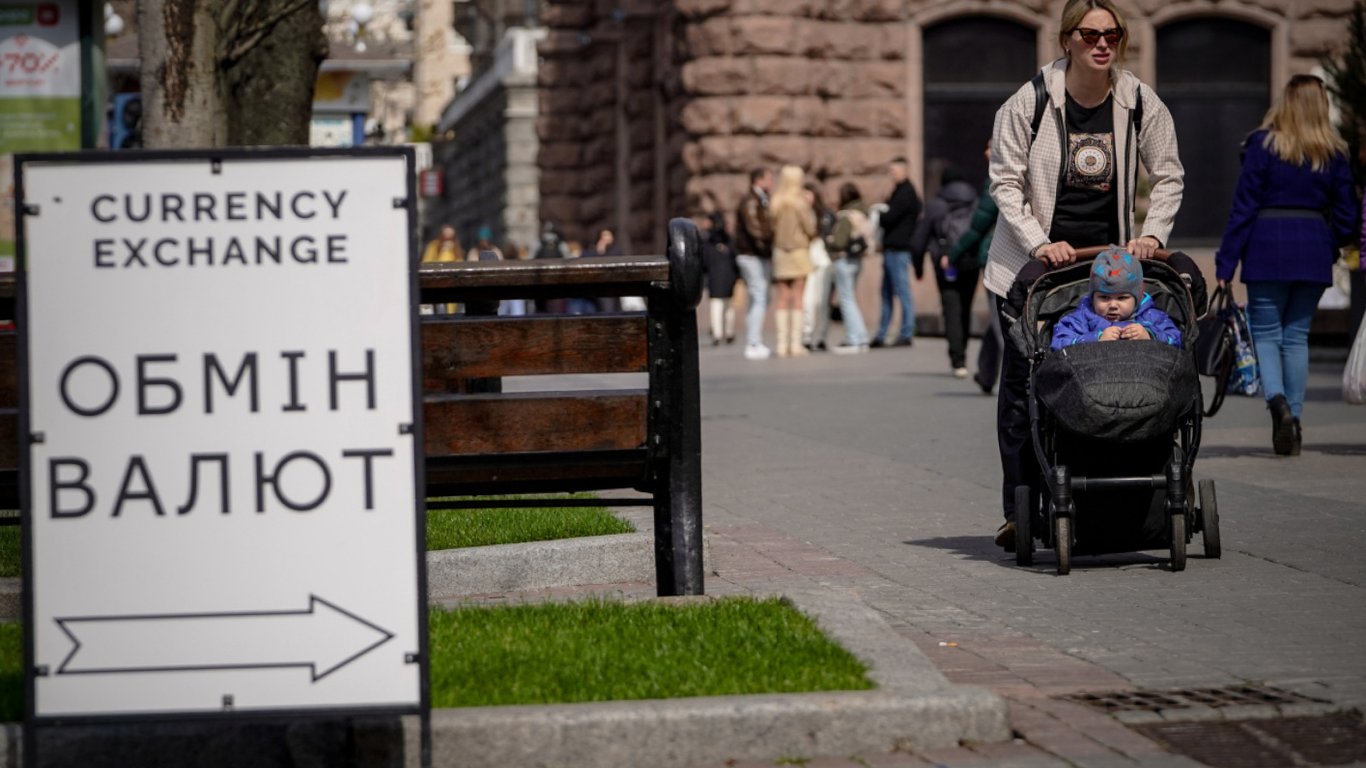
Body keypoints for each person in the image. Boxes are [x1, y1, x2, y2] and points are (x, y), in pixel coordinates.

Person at [986, 0, 1185, 551]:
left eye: (1112, 35)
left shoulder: (1139, 101)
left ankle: (1107, 499)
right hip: (1030, 269)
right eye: (1090, 34)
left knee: (1112, 374)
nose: (1102, 44)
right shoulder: (1029, 102)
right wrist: (1039, 242)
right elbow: (1005, 182)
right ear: (1067, 39)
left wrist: (1153, 235)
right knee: (1025, 388)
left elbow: (1169, 175)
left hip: (1107, 271)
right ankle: (1019, 507)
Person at [1214, 74, 1359, 456]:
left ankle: (1276, 402)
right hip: (1312, 249)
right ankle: (1294, 418)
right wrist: (1328, 242)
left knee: (1266, 334)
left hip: (1265, 247)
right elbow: (1348, 215)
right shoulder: (1333, 153)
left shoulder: (1262, 146)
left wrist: (1226, 264)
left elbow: (1243, 208)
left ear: (1285, 104)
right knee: (1296, 337)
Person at [910, 167, 980, 377]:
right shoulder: (975, 201)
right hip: (970, 261)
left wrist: (918, 267)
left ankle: (957, 359)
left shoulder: (937, 204)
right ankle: (963, 351)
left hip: (945, 263)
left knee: (951, 309)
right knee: (965, 307)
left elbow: (918, 240)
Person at [951, 138, 1003, 394]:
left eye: (991, 147)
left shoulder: (998, 180)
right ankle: (986, 372)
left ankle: (1016, 380)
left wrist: (954, 253)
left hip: (998, 256)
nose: (985, 152)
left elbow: (979, 223)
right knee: (999, 316)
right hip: (1002, 254)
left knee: (1001, 319)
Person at [1050, 248, 1182, 349]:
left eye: (1122, 298)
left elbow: (1177, 340)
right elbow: (1059, 343)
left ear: (1137, 297)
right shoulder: (1081, 318)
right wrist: (1095, 338)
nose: (1113, 305)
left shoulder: (1153, 316)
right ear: (1092, 297)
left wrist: (1150, 335)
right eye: (1104, 297)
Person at [871, 157, 922, 348]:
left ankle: (906, 332)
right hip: (892, 249)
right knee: (886, 293)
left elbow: (889, 218)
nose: (891, 174)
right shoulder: (900, 191)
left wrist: (880, 214)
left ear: (904, 171)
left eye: (894, 170)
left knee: (902, 292)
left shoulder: (906, 193)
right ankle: (882, 333)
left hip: (898, 250)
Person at [768, 165, 818, 358]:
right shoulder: (800, 202)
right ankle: (795, 343)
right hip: (799, 251)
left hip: (780, 251)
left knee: (782, 297)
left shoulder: (776, 202)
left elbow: (771, 227)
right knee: (798, 297)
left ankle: (781, 344)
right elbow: (810, 228)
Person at [829, 182, 875, 353]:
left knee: (846, 300)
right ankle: (860, 337)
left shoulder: (847, 215)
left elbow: (840, 241)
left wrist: (831, 240)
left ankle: (855, 339)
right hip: (857, 260)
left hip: (845, 259)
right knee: (850, 299)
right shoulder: (863, 212)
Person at [734, 168, 775, 360]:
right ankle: (753, 342)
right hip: (752, 254)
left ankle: (754, 340)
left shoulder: (761, 199)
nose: (772, 182)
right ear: (759, 180)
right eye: (769, 178)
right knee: (759, 295)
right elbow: (755, 229)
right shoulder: (751, 200)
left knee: (758, 296)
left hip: (756, 254)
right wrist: (769, 243)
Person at [802, 182, 837, 351]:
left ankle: (822, 336)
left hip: (824, 262)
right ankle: (806, 335)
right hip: (806, 262)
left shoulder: (826, 214)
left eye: (807, 194)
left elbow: (831, 235)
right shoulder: (800, 213)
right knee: (808, 301)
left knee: (823, 302)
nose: (805, 197)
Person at [700, 204, 738, 345]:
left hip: (714, 275)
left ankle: (717, 333)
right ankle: (729, 331)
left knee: (717, 304)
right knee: (728, 304)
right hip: (728, 274)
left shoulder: (707, 241)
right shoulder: (728, 240)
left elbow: (704, 261)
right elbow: (735, 257)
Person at [421, 224, 463, 315]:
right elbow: (426, 261)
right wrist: (442, 251)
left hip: (452, 281)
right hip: (437, 280)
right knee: (439, 307)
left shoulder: (456, 247)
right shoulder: (434, 245)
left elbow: (460, 262)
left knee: (452, 307)